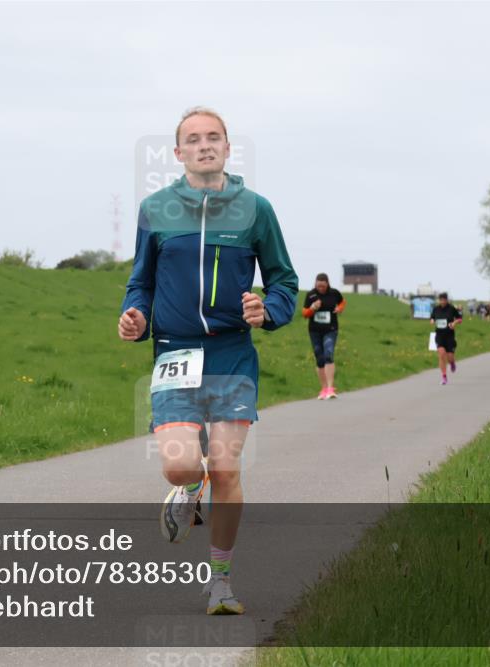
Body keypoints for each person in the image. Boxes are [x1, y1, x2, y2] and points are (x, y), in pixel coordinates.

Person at [118, 107, 298, 615]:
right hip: (175, 352)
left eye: (213, 137)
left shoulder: (256, 209)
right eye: (193, 139)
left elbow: (284, 278)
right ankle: (188, 487)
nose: (204, 145)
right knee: (179, 465)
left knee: (226, 465)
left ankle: (220, 580)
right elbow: (142, 281)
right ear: (177, 153)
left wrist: (269, 311)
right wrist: (133, 316)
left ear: (227, 147)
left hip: (232, 352)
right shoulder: (155, 208)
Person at [302, 273, 346, 399]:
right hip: (315, 330)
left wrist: (340, 308)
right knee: (319, 358)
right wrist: (313, 308)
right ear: (315, 283)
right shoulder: (311, 295)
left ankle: (331, 388)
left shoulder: (334, 293)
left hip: (330, 329)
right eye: (318, 285)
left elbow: (343, 302)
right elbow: (304, 314)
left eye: (323, 285)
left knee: (328, 353)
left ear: (327, 283)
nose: (320, 288)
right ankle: (324, 388)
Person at [429, 292, 462, 385]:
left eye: (444, 300)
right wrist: (432, 320)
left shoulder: (451, 309)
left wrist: (454, 323)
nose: (442, 301)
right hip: (439, 335)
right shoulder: (436, 309)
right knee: (441, 354)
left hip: (449, 336)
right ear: (439, 300)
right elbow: (432, 318)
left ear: (447, 300)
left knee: (450, 357)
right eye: (441, 300)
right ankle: (444, 377)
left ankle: (452, 363)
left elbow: (460, 319)